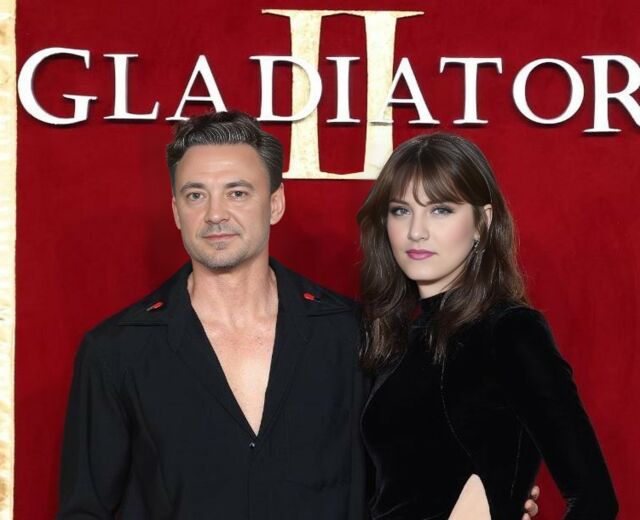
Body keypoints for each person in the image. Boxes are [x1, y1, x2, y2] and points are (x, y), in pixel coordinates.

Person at [57, 111, 368, 519]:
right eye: (195, 195)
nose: (215, 214)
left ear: (275, 204)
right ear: (176, 211)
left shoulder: (351, 334)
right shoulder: (116, 351)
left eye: (237, 193)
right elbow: (85, 510)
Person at [357, 133, 618, 519]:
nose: (416, 231)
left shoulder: (510, 332)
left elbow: (594, 499)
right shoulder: (393, 340)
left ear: (483, 221)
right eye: (400, 210)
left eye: (441, 209)